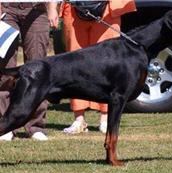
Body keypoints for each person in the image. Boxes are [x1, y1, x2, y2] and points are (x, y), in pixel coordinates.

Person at [48, 0, 136, 134]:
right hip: (73, 9)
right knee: (74, 65)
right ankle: (79, 119)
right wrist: (53, 7)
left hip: (108, 9)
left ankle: (106, 118)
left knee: (109, 64)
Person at [0, 2, 50, 141]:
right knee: (5, 70)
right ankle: (5, 125)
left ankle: (36, 126)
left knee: (38, 72)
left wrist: (52, 9)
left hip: (37, 10)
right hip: (6, 9)